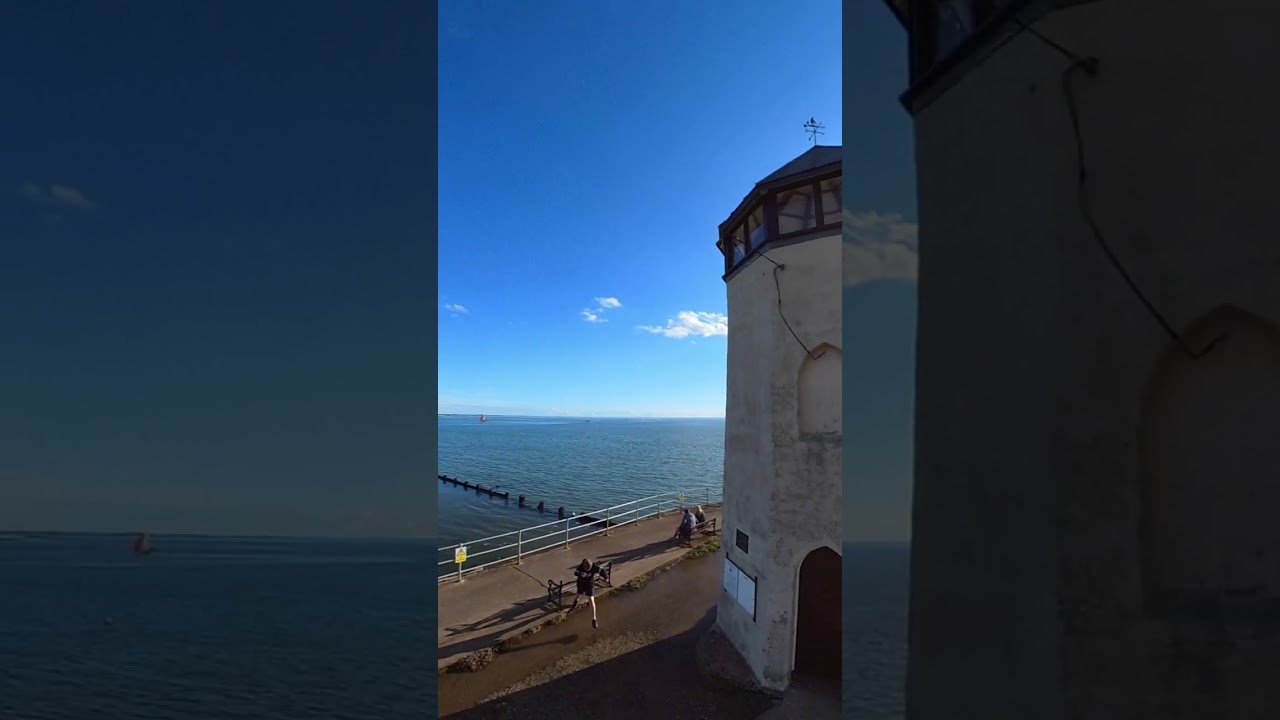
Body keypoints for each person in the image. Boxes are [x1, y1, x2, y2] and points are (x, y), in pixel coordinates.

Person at [569, 558, 600, 628]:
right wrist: (580, 574)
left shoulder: (594, 566)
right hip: (581, 584)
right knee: (579, 593)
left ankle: (594, 619)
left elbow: (601, 570)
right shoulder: (580, 567)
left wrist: (605, 576)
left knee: (591, 601)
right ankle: (576, 600)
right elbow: (575, 573)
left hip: (589, 585)